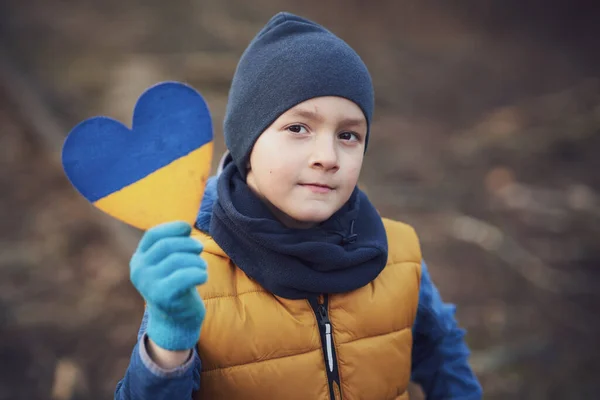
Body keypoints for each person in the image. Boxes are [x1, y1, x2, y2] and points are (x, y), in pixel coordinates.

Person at [114, 11, 483, 400]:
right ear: (248, 142)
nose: (328, 156)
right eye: (297, 128)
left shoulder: (398, 254)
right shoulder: (195, 271)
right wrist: (167, 348)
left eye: (348, 134)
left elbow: (444, 354)